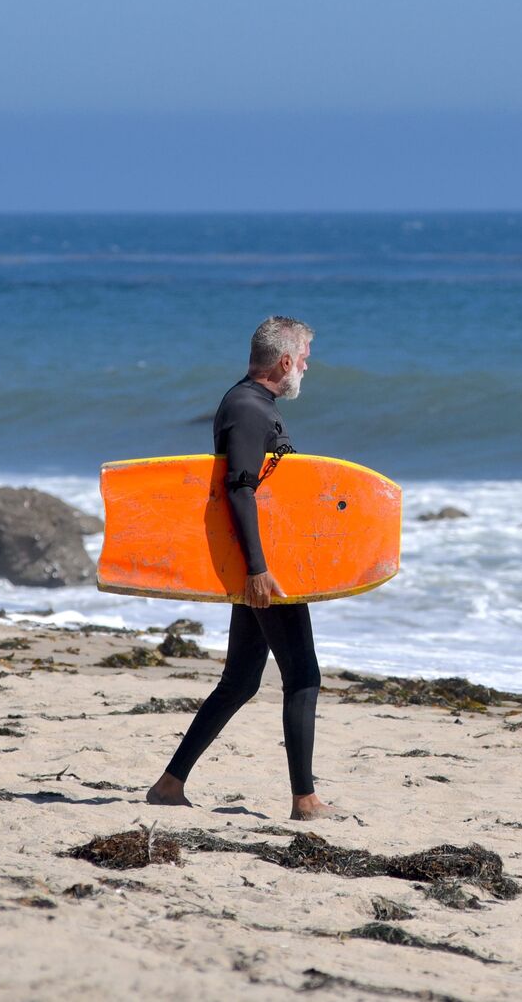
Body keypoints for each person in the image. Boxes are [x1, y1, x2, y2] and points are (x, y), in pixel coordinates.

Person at [147, 316, 333, 820]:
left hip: (258, 560)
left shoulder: (249, 403)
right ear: (285, 361)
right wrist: (257, 569)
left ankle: (169, 784)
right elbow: (240, 488)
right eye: (305, 358)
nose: (308, 367)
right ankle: (306, 801)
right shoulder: (249, 409)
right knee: (303, 675)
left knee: (241, 680)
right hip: (263, 567)